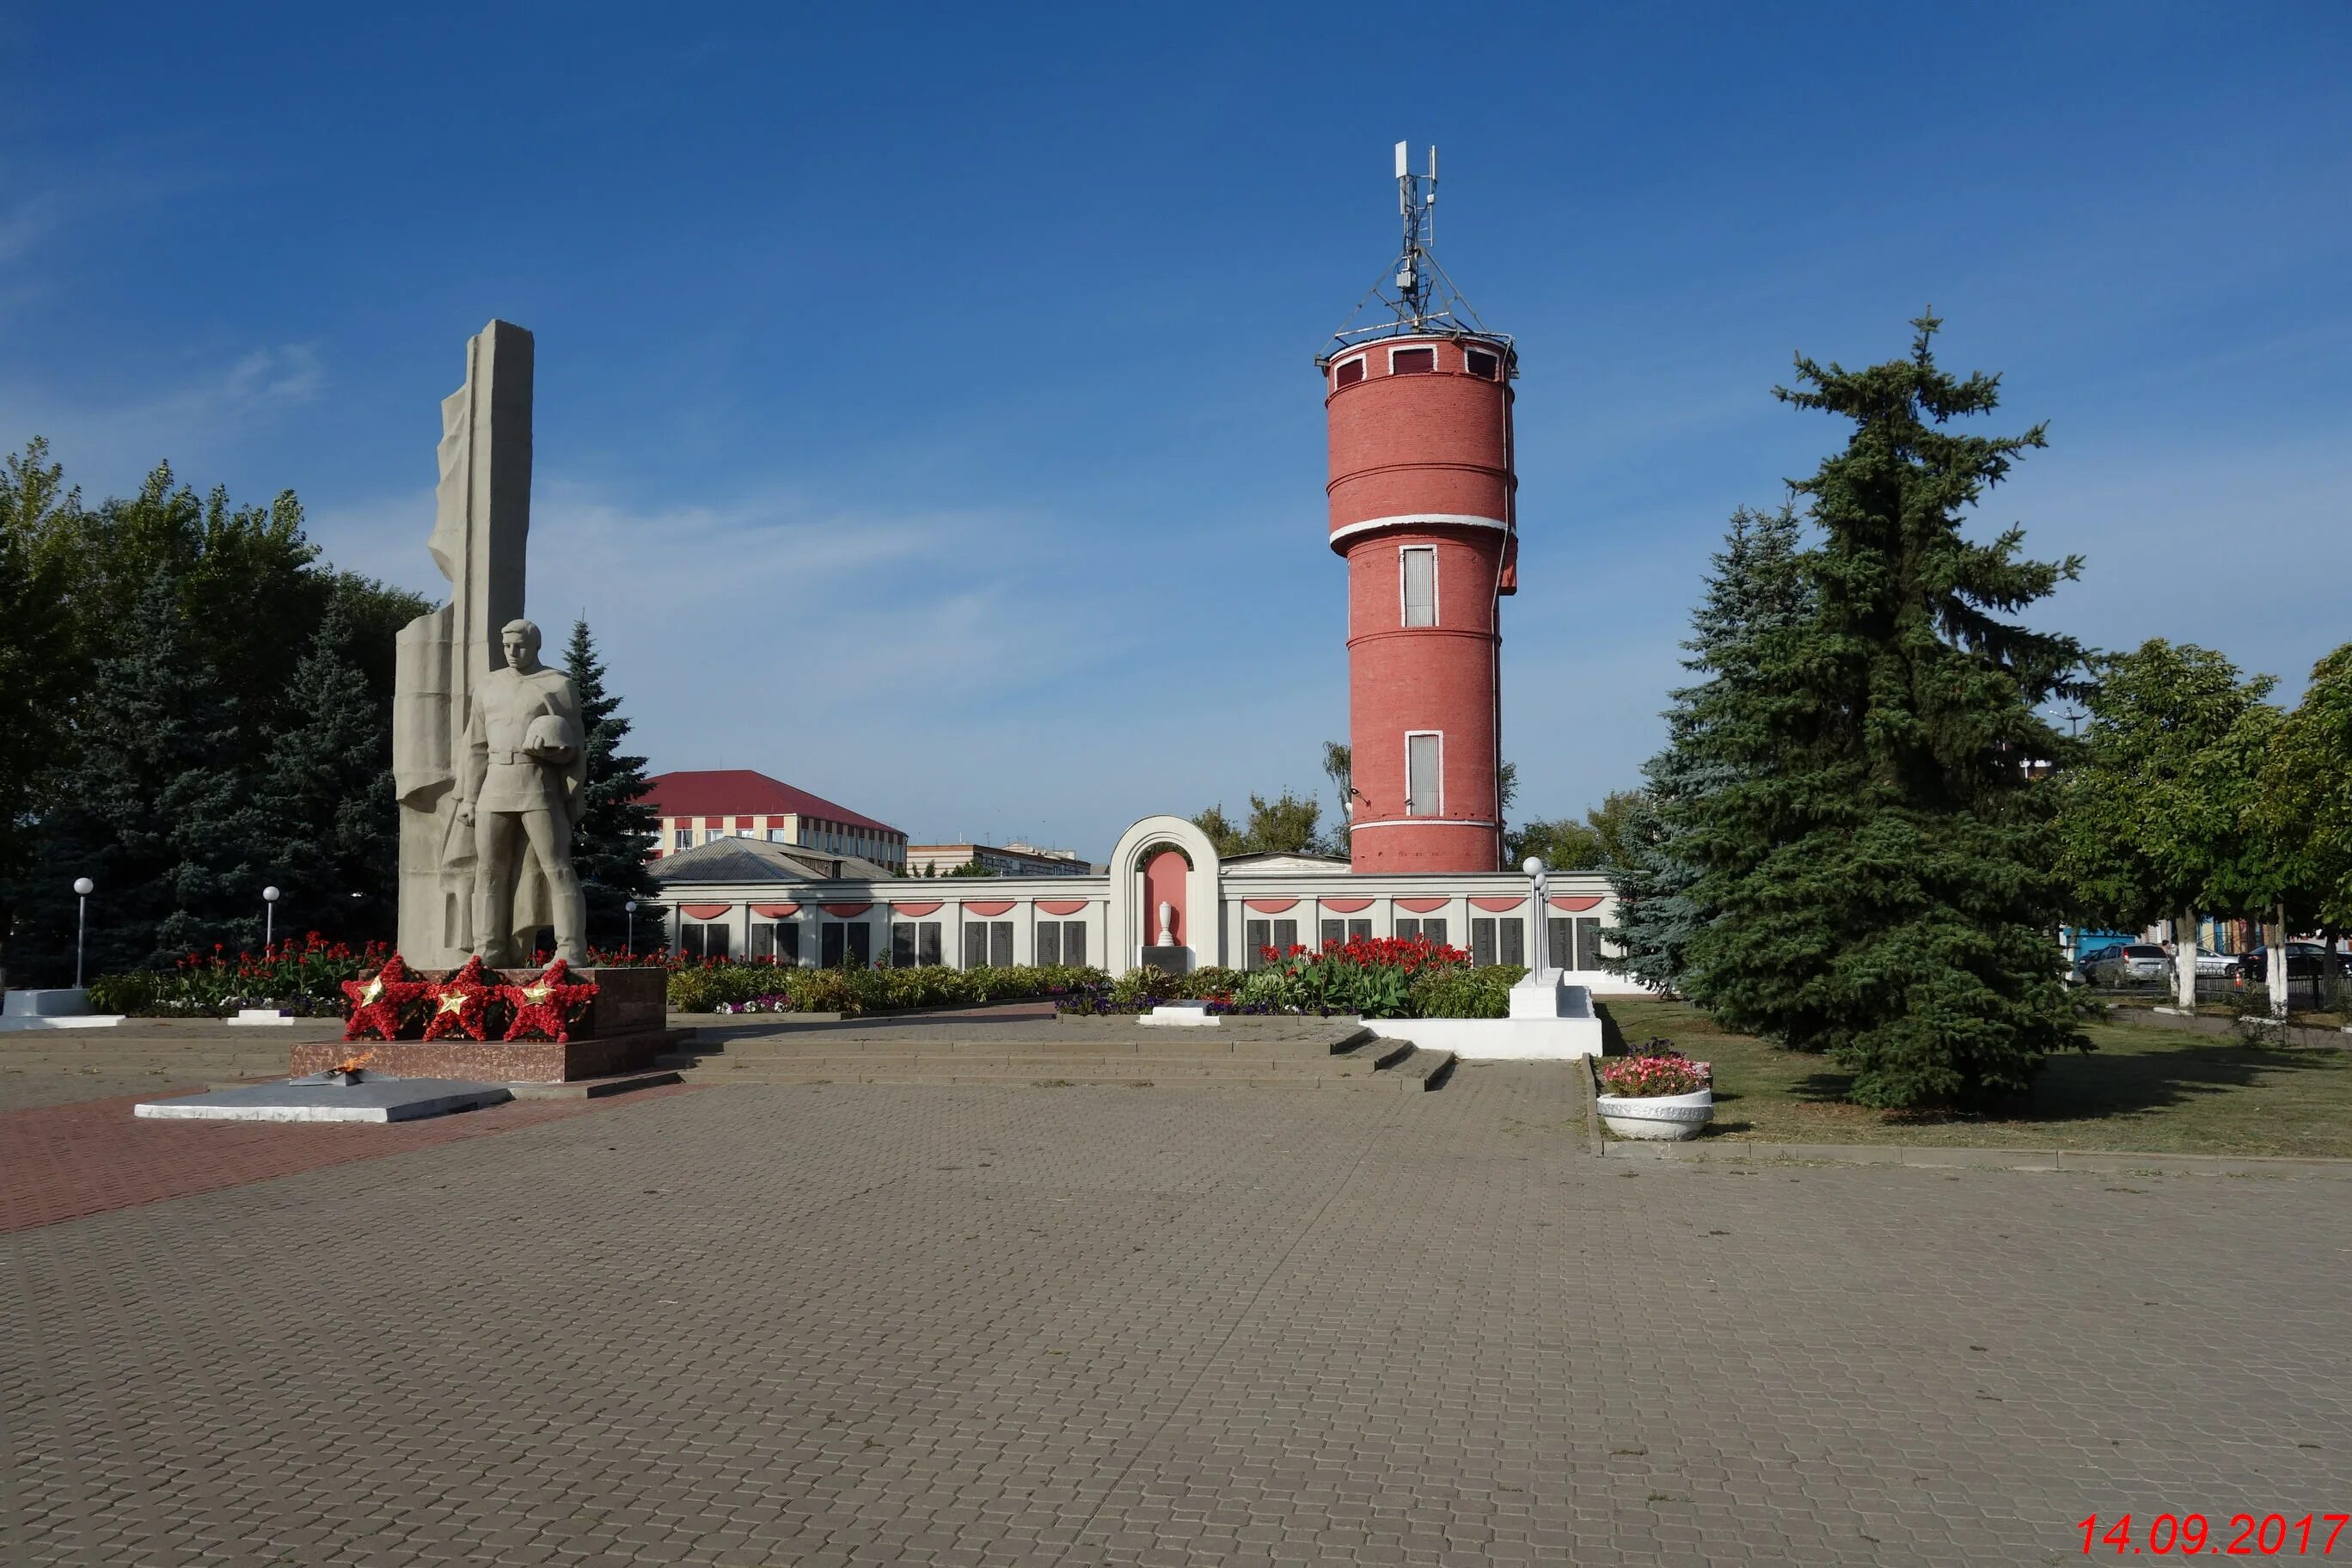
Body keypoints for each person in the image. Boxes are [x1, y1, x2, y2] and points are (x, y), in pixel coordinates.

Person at [456, 617, 588, 964]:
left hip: (537, 783)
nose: (513, 652)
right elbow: (475, 746)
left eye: (521, 646)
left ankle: (570, 949)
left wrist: (557, 752)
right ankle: (488, 949)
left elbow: (575, 745)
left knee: (557, 866)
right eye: (507, 646)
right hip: (494, 783)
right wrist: (469, 797)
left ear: (536, 646)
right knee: (488, 869)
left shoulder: (558, 684)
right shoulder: (488, 686)